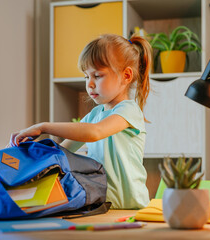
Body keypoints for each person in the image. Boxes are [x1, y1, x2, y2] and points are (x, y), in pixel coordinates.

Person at [9, 34, 152, 209]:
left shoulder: (128, 110)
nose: (89, 84)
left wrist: (43, 127)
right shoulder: (95, 115)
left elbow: (94, 133)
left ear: (126, 76)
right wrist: (25, 153)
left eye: (97, 76)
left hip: (131, 209)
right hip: (102, 206)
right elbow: (63, 151)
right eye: (86, 76)